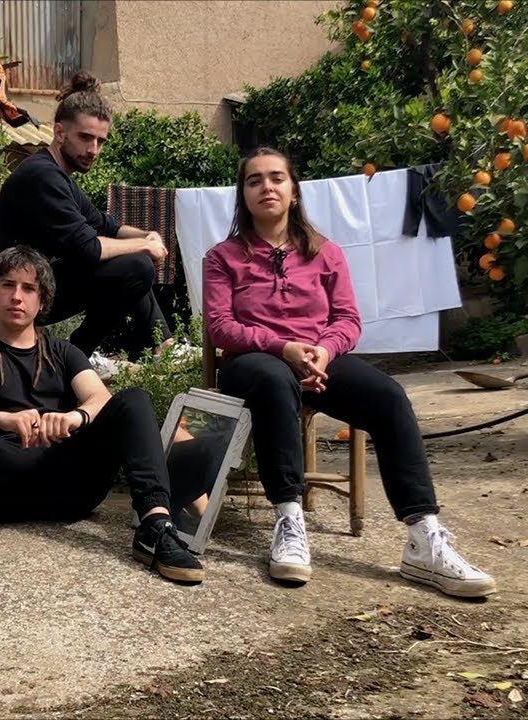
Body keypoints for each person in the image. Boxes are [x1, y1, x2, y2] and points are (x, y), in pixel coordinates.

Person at [202, 146, 495, 599]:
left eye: (277, 178)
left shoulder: (326, 253)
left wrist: (323, 351)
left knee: (388, 396)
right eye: (254, 180)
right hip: (252, 365)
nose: (266, 187)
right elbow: (221, 327)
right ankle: (289, 520)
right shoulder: (223, 256)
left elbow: (347, 320)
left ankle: (423, 536)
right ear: (243, 195)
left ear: (294, 191)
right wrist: (284, 348)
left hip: (320, 361)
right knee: (274, 379)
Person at [0, 245, 204, 593]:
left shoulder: (64, 352)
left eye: (29, 288)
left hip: (68, 484)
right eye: (8, 285)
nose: (17, 296)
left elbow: (99, 398)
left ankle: (155, 526)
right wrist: (3, 419)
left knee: (134, 400)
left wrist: (74, 417)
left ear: (41, 301)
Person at [0, 70, 172, 366]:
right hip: (9, 295)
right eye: (85, 138)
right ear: (59, 133)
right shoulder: (41, 177)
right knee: (136, 266)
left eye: (100, 141)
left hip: (36, 282)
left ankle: (164, 343)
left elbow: (103, 224)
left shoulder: (59, 176)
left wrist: (146, 236)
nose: (93, 150)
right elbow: (88, 249)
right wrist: (144, 246)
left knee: (133, 260)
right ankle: (76, 357)